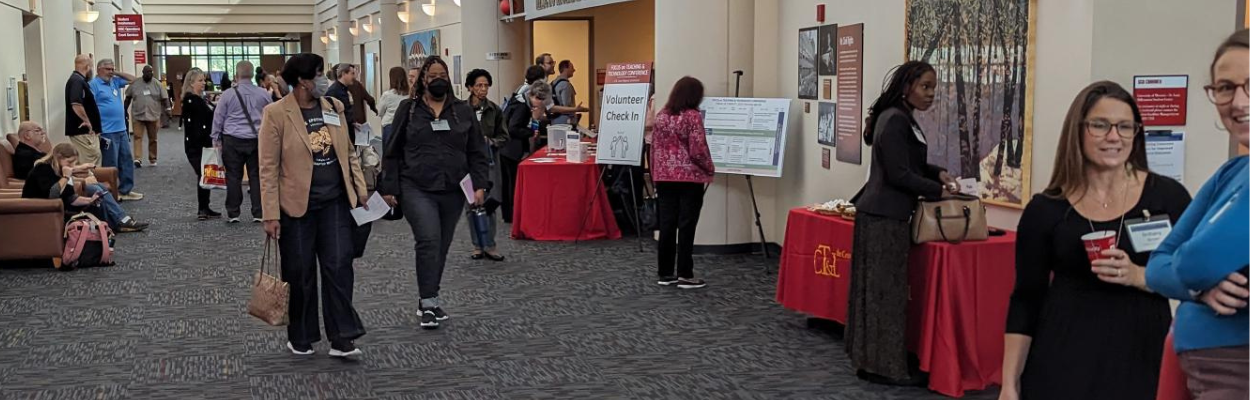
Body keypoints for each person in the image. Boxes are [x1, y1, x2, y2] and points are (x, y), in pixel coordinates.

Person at [1000, 81, 1192, 400]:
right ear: (1078, 131)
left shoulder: (1167, 197)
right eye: (1100, 125)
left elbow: (1195, 278)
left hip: (1142, 357)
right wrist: (1009, 383)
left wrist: (1140, 276)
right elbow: (1026, 299)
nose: (1114, 137)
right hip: (1062, 359)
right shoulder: (1046, 209)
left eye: (1125, 126)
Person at [1145, 29, 1249, 400]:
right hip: (1198, 362)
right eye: (1225, 88)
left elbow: (1192, 260)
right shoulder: (1231, 172)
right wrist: (1202, 289)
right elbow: (1157, 265)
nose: (1238, 102)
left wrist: (1193, 272)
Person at [846, 61, 956, 386]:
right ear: (907, 87)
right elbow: (898, 174)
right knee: (885, 294)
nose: (931, 94)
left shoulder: (900, 117)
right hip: (884, 217)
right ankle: (884, 368)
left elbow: (909, 163)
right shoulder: (895, 119)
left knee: (879, 292)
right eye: (925, 86)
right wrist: (938, 191)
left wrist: (937, 173)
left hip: (882, 215)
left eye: (934, 87)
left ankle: (874, 361)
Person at [259, 53, 369, 358]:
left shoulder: (333, 107)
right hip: (296, 207)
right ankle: (301, 335)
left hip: (334, 202)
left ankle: (342, 336)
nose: (324, 79)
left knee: (339, 267)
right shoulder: (276, 113)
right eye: (319, 74)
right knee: (300, 272)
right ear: (303, 81)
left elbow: (348, 152)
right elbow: (267, 168)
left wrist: (360, 190)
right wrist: (270, 214)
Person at [379, 56, 489, 330]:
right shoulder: (409, 109)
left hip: (453, 188)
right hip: (415, 185)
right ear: (423, 80)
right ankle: (429, 302)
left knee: (441, 244)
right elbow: (392, 150)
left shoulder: (462, 111)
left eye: (442, 75)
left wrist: (480, 185)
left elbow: (477, 150)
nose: (438, 80)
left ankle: (429, 295)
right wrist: (389, 187)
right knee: (428, 239)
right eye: (432, 76)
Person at [651, 77, 714, 289]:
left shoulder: (662, 116)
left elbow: (654, 148)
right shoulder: (692, 116)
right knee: (687, 225)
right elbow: (698, 150)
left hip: (664, 177)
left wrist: (656, 173)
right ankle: (685, 274)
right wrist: (709, 168)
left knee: (667, 224)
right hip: (689, 179)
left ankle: (665, 273)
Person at [20, 142, 149, 233]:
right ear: (58, 158)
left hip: (57, 207)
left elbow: (70, 198)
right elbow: (52, 195)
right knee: (94, 191)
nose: (72, 166)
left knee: (97, 197)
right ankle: (117, 224)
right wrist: (66, 177)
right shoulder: (42, 169)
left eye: (74, 162)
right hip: (41, 209)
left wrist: (89, 200)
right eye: (69, 162)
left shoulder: (61, 170)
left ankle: (116, 224)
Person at [212, 60, 273, 223]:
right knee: (257, 176)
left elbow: (218, 118)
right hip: (257, 140)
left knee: (233, 176)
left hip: (232, 140)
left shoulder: (227, 94)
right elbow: (272, 116)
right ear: (252, 75)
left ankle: (233, 213)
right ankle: (258, 213)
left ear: (236, 75)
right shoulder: (264, 94)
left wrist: (215, 138)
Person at [464, 68, 507, 262]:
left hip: (489, 161)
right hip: (466, 163)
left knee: (489, 203)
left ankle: (490, 244)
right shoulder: (461, 110)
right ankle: (476, 245)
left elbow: (504, 136)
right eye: (479, 85)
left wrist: (491, 141)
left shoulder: (494, 110)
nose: (483, 89)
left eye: (486, 86)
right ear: (470, 87)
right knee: (471, 203)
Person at [500, 76, 552, 223]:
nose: (540, 103)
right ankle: (512, 213)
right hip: (511, 149)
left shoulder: (518, 100)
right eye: (540, 99)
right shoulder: (522, 107)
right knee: (511, 184)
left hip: (506, 148)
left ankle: (509, 214)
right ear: (534, 95)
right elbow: (513, 128)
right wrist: (529, 132)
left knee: (507, 183)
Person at [90, 59, 143, 201]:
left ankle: (125, 190)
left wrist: (116, 72)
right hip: (107, 131)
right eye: (108, 69)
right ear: (99, 69)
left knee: (126, 160)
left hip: (121, 129)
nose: (110, 72)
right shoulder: (94, 84)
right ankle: (112, 194)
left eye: (112, 69)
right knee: (111, 163)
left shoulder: (114, 81)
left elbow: (135, 80)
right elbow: (90, 106)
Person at [181, 69, 221, 220]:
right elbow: (198, 124)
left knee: (205, 174)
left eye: (204, 80)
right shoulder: (191, 100)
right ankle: (202, 209)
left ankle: (205, 206)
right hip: (196, 145)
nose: (204, 83)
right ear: (191, 83)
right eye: (200, 80)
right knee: (203, 174)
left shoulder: (201, 99)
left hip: (204, 142)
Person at [124, 64, 170, 167]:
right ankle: (138, 159)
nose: (149, 74)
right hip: (137, 115)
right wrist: (124, 109)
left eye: (151, 72)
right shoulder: (135, 83)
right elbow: (128, 97)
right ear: (143, 73)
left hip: (153, 115)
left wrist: (168, 109)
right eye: (147, 72)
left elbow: (165, 98)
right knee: (137, 136)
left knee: (153, 138)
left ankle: (152, 158)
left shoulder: (157, 84)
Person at [65, 55, 103, 167]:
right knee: (90, 161)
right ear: (87, 67)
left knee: (91, 158)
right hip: (82, 131)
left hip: (84, 132)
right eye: (91, 66)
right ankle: (91, 179)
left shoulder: (79, 80)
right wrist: (87, 121)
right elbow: (76, 103)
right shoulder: (77, 81)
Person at [378, 66, 410, 151]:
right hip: (405, 126)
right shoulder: (409, 95)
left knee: (389, 152)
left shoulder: (387, 95)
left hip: (390, 126)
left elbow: (380, 112)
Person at [326, 63, 358, 142]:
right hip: (340, 133)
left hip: (348, 130)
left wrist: (352, 122)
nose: (354, 77)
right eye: (352, 73)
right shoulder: (333, 91)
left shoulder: (344, 89)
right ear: (344, 74)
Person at [550, 60, 587, 126]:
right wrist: (580, 110)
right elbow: (567, 106)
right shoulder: (565, 85)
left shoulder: (553, 83)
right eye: (572, 67)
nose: (574, 70)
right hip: (565, 121)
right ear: (565, 69)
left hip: (555, 119)